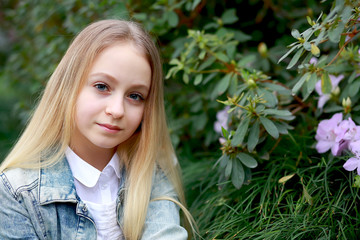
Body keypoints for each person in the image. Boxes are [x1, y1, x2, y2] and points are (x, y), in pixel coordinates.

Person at [0, 19, 195, 240]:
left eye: (135, 96)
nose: (117, 110)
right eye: (102, 87)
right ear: (68, 86)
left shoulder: (152, 172)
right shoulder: (16, 191)